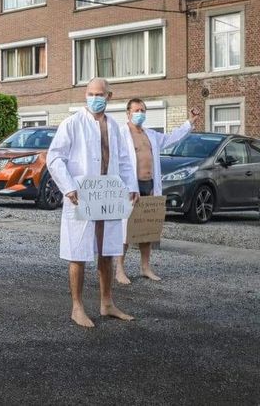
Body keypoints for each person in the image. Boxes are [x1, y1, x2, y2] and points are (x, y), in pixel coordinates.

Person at [46, 78, 139, 328]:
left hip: (108, 196)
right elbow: (54, 158)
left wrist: (131, 186)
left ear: (109, 96)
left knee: (107, 250)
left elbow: (124, 160)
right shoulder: (73, 123)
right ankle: (77, 307)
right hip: (82, 195)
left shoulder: (115, 127)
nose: (95, 98)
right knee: (78, 252)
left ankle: (106, 303)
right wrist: (68, 187)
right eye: (90, 93)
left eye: (100, 94)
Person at [115, 101, 199, 284]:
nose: (140, 113)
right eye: (136, 110)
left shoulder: (150, 135)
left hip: (150, 184)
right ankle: (119, 269)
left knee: (147, 228)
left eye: (143, 110)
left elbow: (171, 138)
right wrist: (127, 186)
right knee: (125, 230)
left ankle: (145, 267)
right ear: (128, 113)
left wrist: (189, 122)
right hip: (130, 187)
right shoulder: (120, 134)